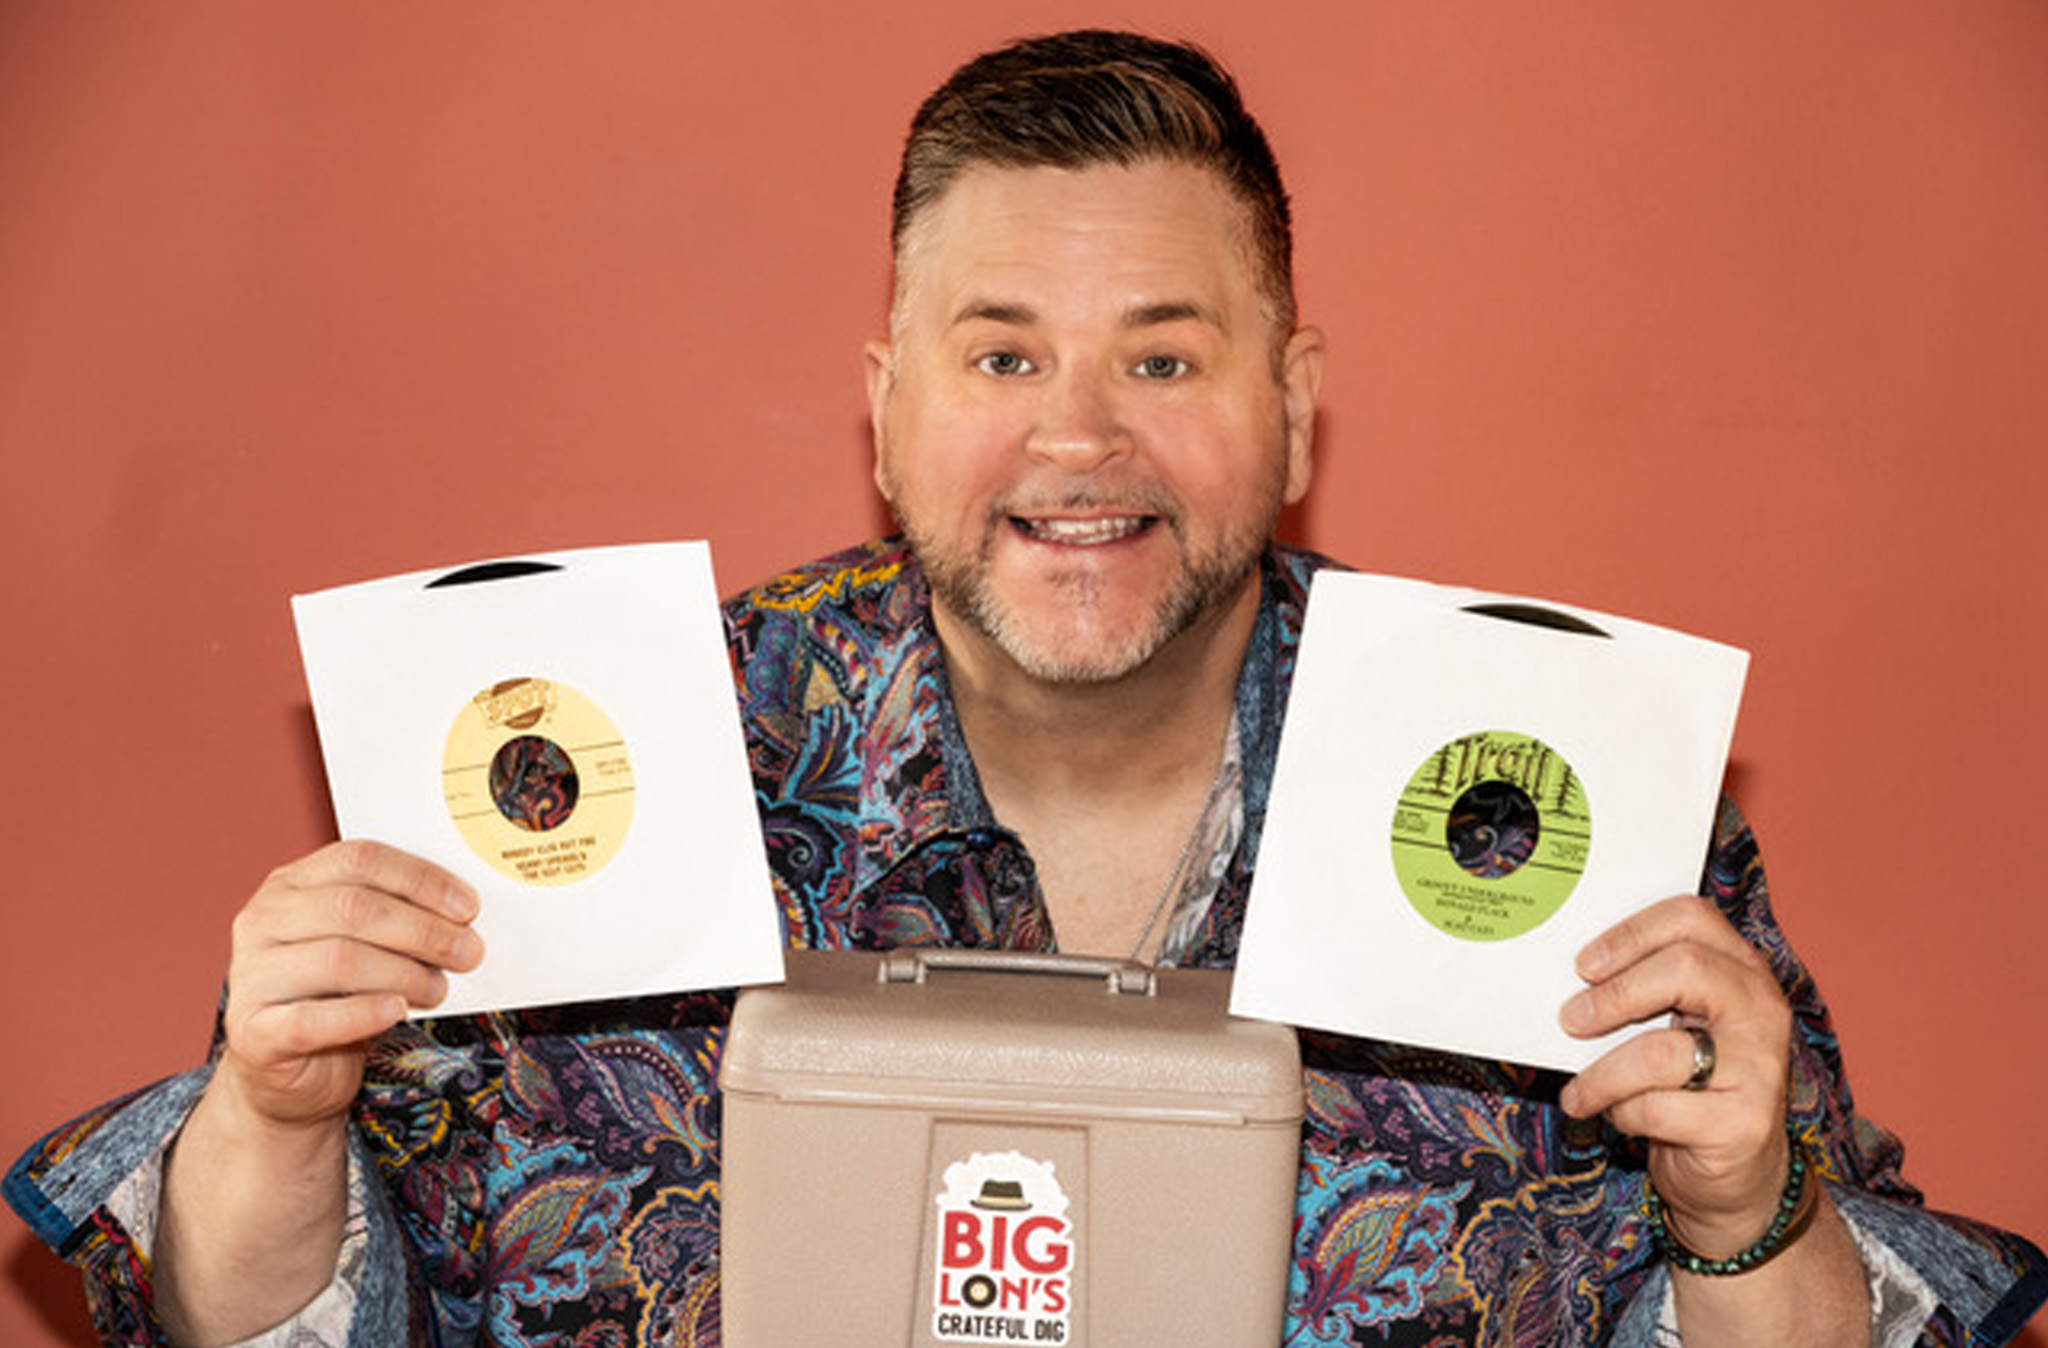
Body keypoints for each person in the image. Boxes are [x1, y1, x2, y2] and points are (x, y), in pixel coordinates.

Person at [7, 29, 2044, 1348]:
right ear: (885, 405)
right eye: (1001, 357)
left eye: (1163, 356)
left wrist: (1746, 1206)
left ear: (1293, 402)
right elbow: (249, 1318)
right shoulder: (576, 769)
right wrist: (272, 1114)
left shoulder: (1554, 802)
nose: (1080, 439)